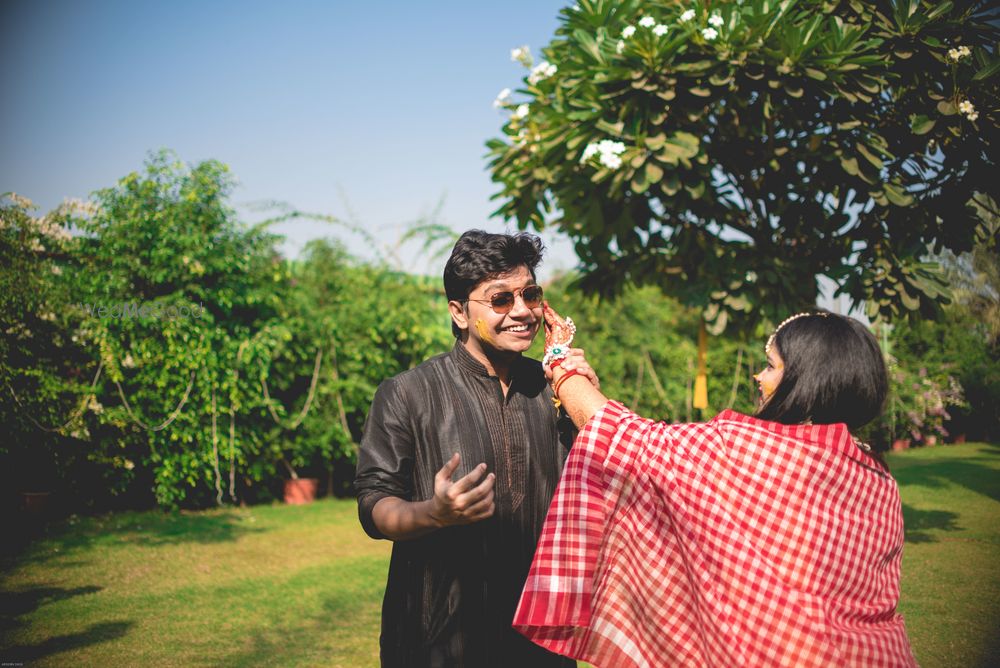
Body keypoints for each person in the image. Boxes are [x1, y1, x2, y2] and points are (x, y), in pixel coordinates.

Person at [513, 307, 917, 667]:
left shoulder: (746, 450)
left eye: (772, 366)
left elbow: (623, 438)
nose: (759, 376)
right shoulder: (878, 478)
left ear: (805, 380)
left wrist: (559, 358)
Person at [354, 230, 594, 668]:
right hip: (438, 638)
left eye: (530, 294)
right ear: (460, 313)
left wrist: (582, 398)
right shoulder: (408, 393)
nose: (522, 311)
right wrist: (434, 513)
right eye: (500, 300)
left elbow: (598, 487)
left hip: (540, 638)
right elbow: (374, 504)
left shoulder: (553, 390)